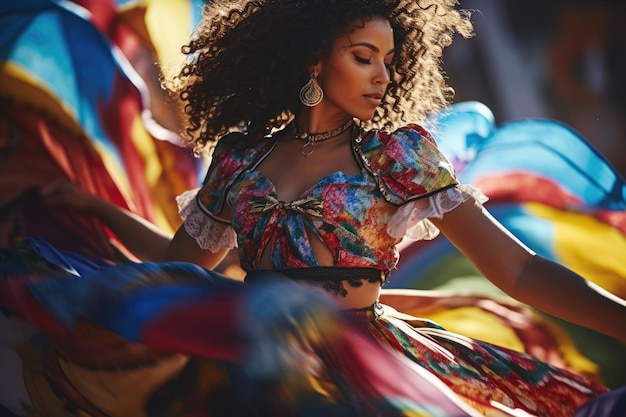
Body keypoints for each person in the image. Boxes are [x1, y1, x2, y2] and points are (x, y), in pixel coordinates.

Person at [2, 0, 626, 416]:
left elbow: (517, 270)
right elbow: (180, 268)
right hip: (259, 356)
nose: (382, 75)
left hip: (373, 363)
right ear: (311, 58)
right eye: (363, 56)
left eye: (388, 60)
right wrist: (96, 210)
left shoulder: (398, 155)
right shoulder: (240, 161)